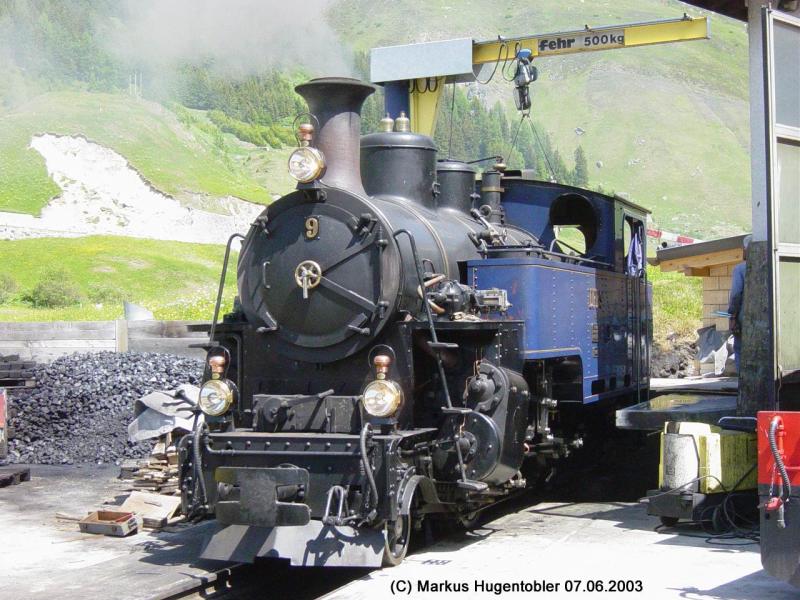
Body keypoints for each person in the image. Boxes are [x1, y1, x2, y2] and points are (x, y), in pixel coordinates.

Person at [728, 235, 752, 373]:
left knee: (740, 349)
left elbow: (736, 294)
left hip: (744, 316)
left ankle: (743, 386)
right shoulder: (770, 267)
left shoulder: (740, 269)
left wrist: (732, 317)